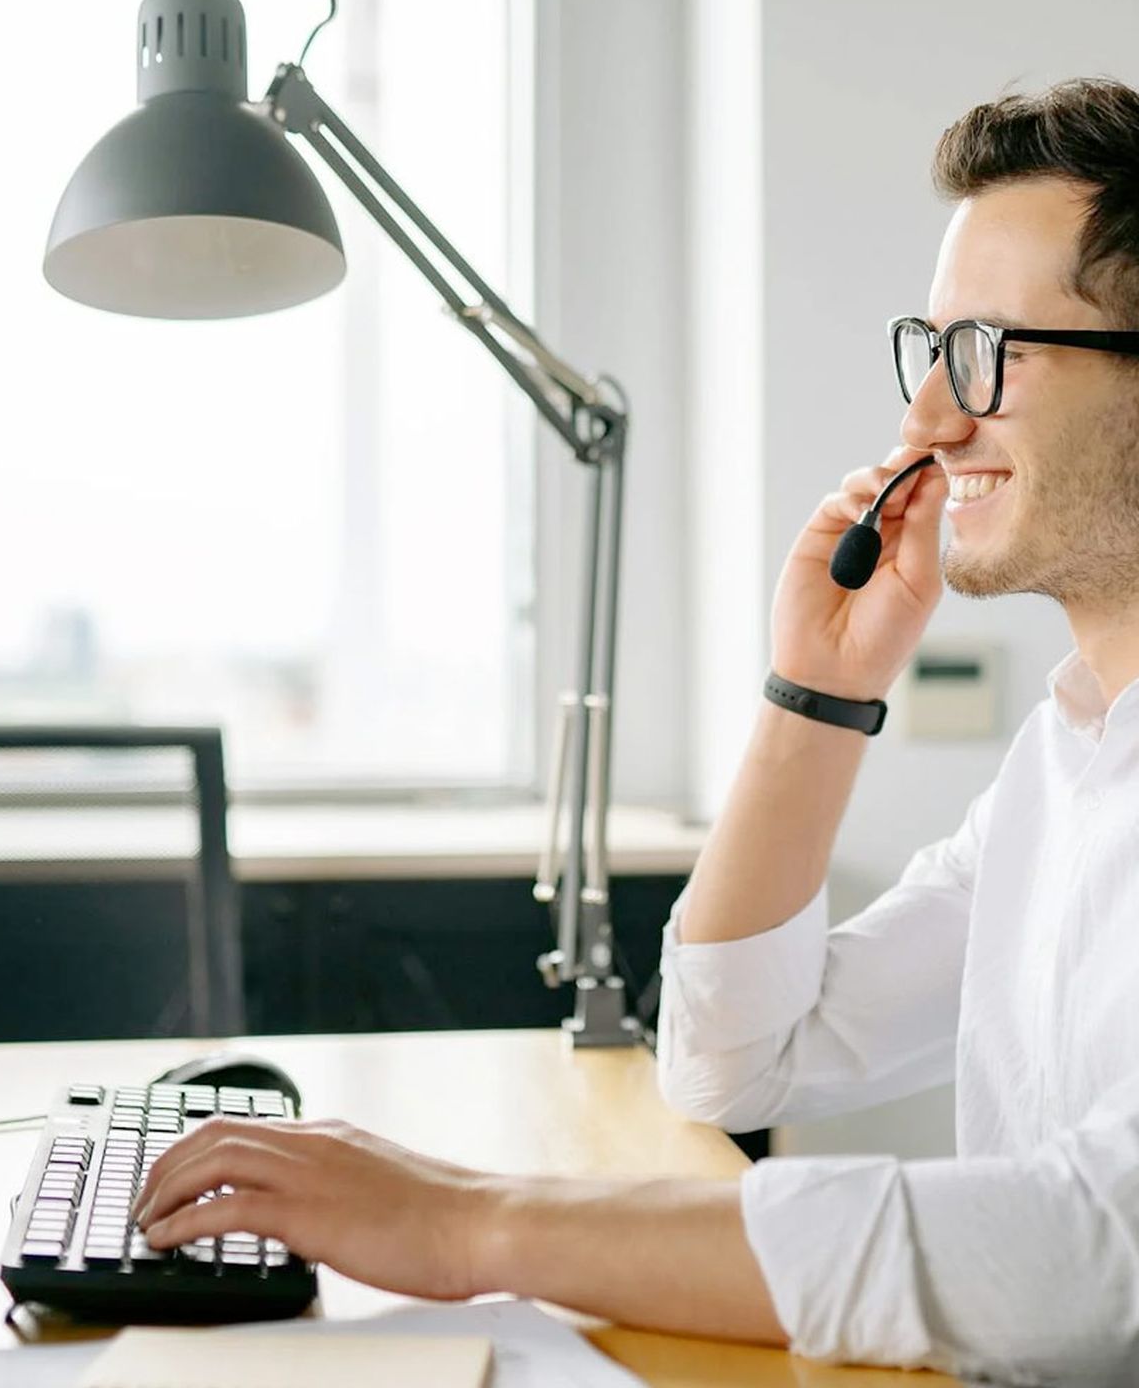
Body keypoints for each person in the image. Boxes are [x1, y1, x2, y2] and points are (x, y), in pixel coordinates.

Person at [134, 78, 1139, 1384]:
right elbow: (735, 1062)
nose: (931, 423)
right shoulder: (1068, 763)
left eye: (987, 356)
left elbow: (1095, 1251)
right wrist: (817, 695)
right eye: (930, 350)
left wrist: (467, 1224)